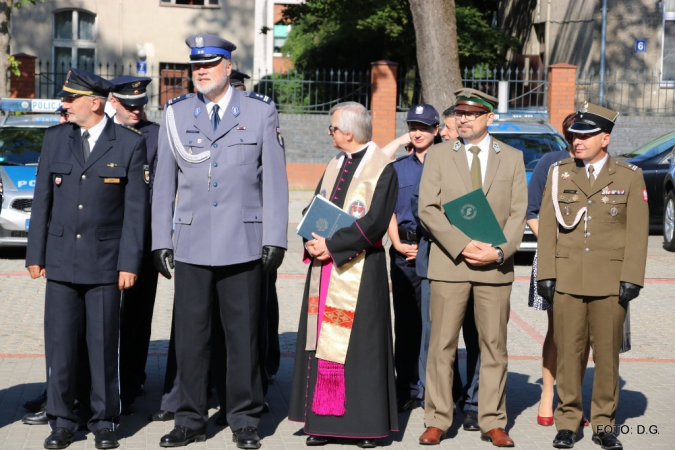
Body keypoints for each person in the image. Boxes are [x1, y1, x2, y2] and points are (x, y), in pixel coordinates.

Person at [152, 34, 288, 449]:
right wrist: (161, 239)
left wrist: (275, 237)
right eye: (195, 66)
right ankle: (190, 418)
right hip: (192, 243)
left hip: (243, 242)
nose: (201, 72)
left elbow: (276, 182)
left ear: (229, 67)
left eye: (209, 64)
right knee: (191, 337)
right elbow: (163, 185)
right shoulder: (175, 115)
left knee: (243, 336)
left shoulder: (259, 111)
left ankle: (243, 418)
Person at [26, 68, 149, 450]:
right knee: (60, 346)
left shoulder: (128, 144)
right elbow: (42, 199)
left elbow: (135, 212)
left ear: (94, 103)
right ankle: (62, 420)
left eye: (70, 99)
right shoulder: (55, 139)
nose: (65, 105)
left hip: (105, 262)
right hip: (61, 259)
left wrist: (130, 263)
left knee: (102, 345)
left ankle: (104, 421)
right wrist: (35, 253)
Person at [418, 88, 527, 447]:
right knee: (441, 345)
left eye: (472, 113)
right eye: (460, 113)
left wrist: (497, 252)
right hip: (450, 264)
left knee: (494, 346)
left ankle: (493, 421)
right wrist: (463, 246)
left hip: (494, 268)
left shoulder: (511, 157)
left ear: (489, 118)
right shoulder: (438, 155)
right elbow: (428, 209)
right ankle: (436, 419)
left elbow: (517, 213)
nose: (463, 119)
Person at [537, 103, 648, 450]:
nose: (577, 141)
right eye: (574, 135)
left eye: (585, 135)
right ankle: (567, 422)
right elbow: (547, 229)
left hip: (611, 280)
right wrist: (546, 274)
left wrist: (632, 277)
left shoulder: (629, 175)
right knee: (569, 352)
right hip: (567, 278)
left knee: (607, 354)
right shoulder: (560, 173)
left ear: (605, 138)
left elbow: (638, 232)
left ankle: (604, 423)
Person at [288, 102, 399, 448]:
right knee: (322, 342)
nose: (330, 133)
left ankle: (366, 427)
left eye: (333, 128)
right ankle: (322, 422)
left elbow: (375, 222)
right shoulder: (336, 163)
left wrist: (332, 245)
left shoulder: (382, 168)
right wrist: (310, 240)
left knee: (360, 349)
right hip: (326, 270)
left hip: (361, 271)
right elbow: (314, 207)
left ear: (348, 132)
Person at [527, 113, 592, 428]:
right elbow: (531, 212)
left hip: (594, 263)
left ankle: (573, 401)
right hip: (556, 259)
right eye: (576, 134)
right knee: (559, 331)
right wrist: (557, 247)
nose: (580, 139)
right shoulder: (550, 163)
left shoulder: (605, 167)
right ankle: (547, 396)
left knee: (586, 334)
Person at [108, 75, 161, 415]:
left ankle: (130, 381)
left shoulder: (155, 135)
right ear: (112, 102)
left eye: (141, 105)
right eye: (130, 106)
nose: (137, 111)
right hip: (104, 238)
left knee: (137, 316)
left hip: (143, 238)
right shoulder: (101, 132)